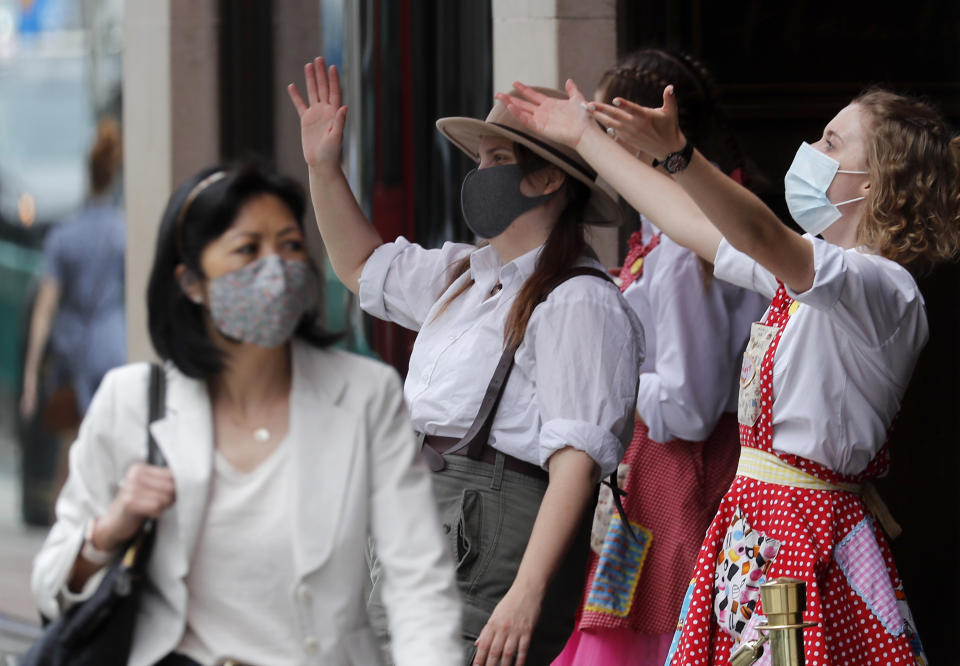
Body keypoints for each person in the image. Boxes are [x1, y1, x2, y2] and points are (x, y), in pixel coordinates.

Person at [497, 80, 960, 664]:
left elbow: (752, 245)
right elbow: (690, 221)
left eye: (832, 141)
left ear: (874, 182)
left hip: (754, 514)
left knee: (643, 625)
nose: (812, 148)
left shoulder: (880, 287)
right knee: (616, 624)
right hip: (730, 514)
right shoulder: (796, 278)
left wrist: (680, 158)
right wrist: (584, 137)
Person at [287, 58, 644, 666]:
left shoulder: (578, 299)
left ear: (550, 179)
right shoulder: (466, 276)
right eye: (480, 161)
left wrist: (525, 595)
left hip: (485, 548)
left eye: (499, 162)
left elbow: (577, 466)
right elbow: (360, 267)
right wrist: (324, 167)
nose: (480, 176)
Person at [31, 164, 462, 666]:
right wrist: (110, 529)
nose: (275, 268)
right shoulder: (129, 403)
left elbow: (418, 584)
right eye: (247, 249)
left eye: (290, 245)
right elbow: (50, 585)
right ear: (191, 282)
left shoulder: (366, 395)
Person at [552, 49, 767, 666]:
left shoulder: (681, 249)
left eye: (601, 134)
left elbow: (690, 405)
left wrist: (613, 376)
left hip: (676, 481)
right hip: (644, 485)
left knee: (649, 635)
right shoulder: (673, 234)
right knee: (613, 618)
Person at [20, 117, 126, 424]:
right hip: (112, 347)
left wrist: (30, 374)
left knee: (75, 448)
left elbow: (45, 309)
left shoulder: (63, 236)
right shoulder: (122, 233)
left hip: (72, 354)